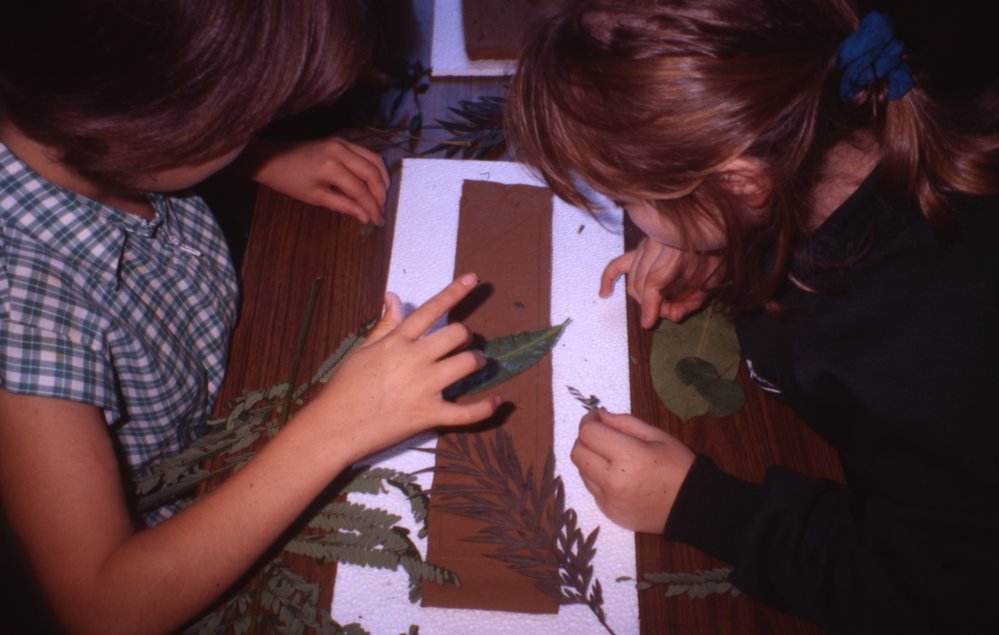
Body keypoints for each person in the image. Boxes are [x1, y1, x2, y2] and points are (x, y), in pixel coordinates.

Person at [0, 2, 499, 634]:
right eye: (242, 119)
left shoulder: (85, 127)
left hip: (230, 392)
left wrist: (255, 156)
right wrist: (341, 426)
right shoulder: (23, 306)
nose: (257, 126)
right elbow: (102, 607)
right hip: (184, 531)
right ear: (147, 126)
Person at [505, 0, 999, 633]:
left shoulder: (932, 354)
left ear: (739, 185)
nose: (623, 211)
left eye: (626, 195)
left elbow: (941, 588)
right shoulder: (832, 138)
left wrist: (704, 508)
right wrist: (732, 248)